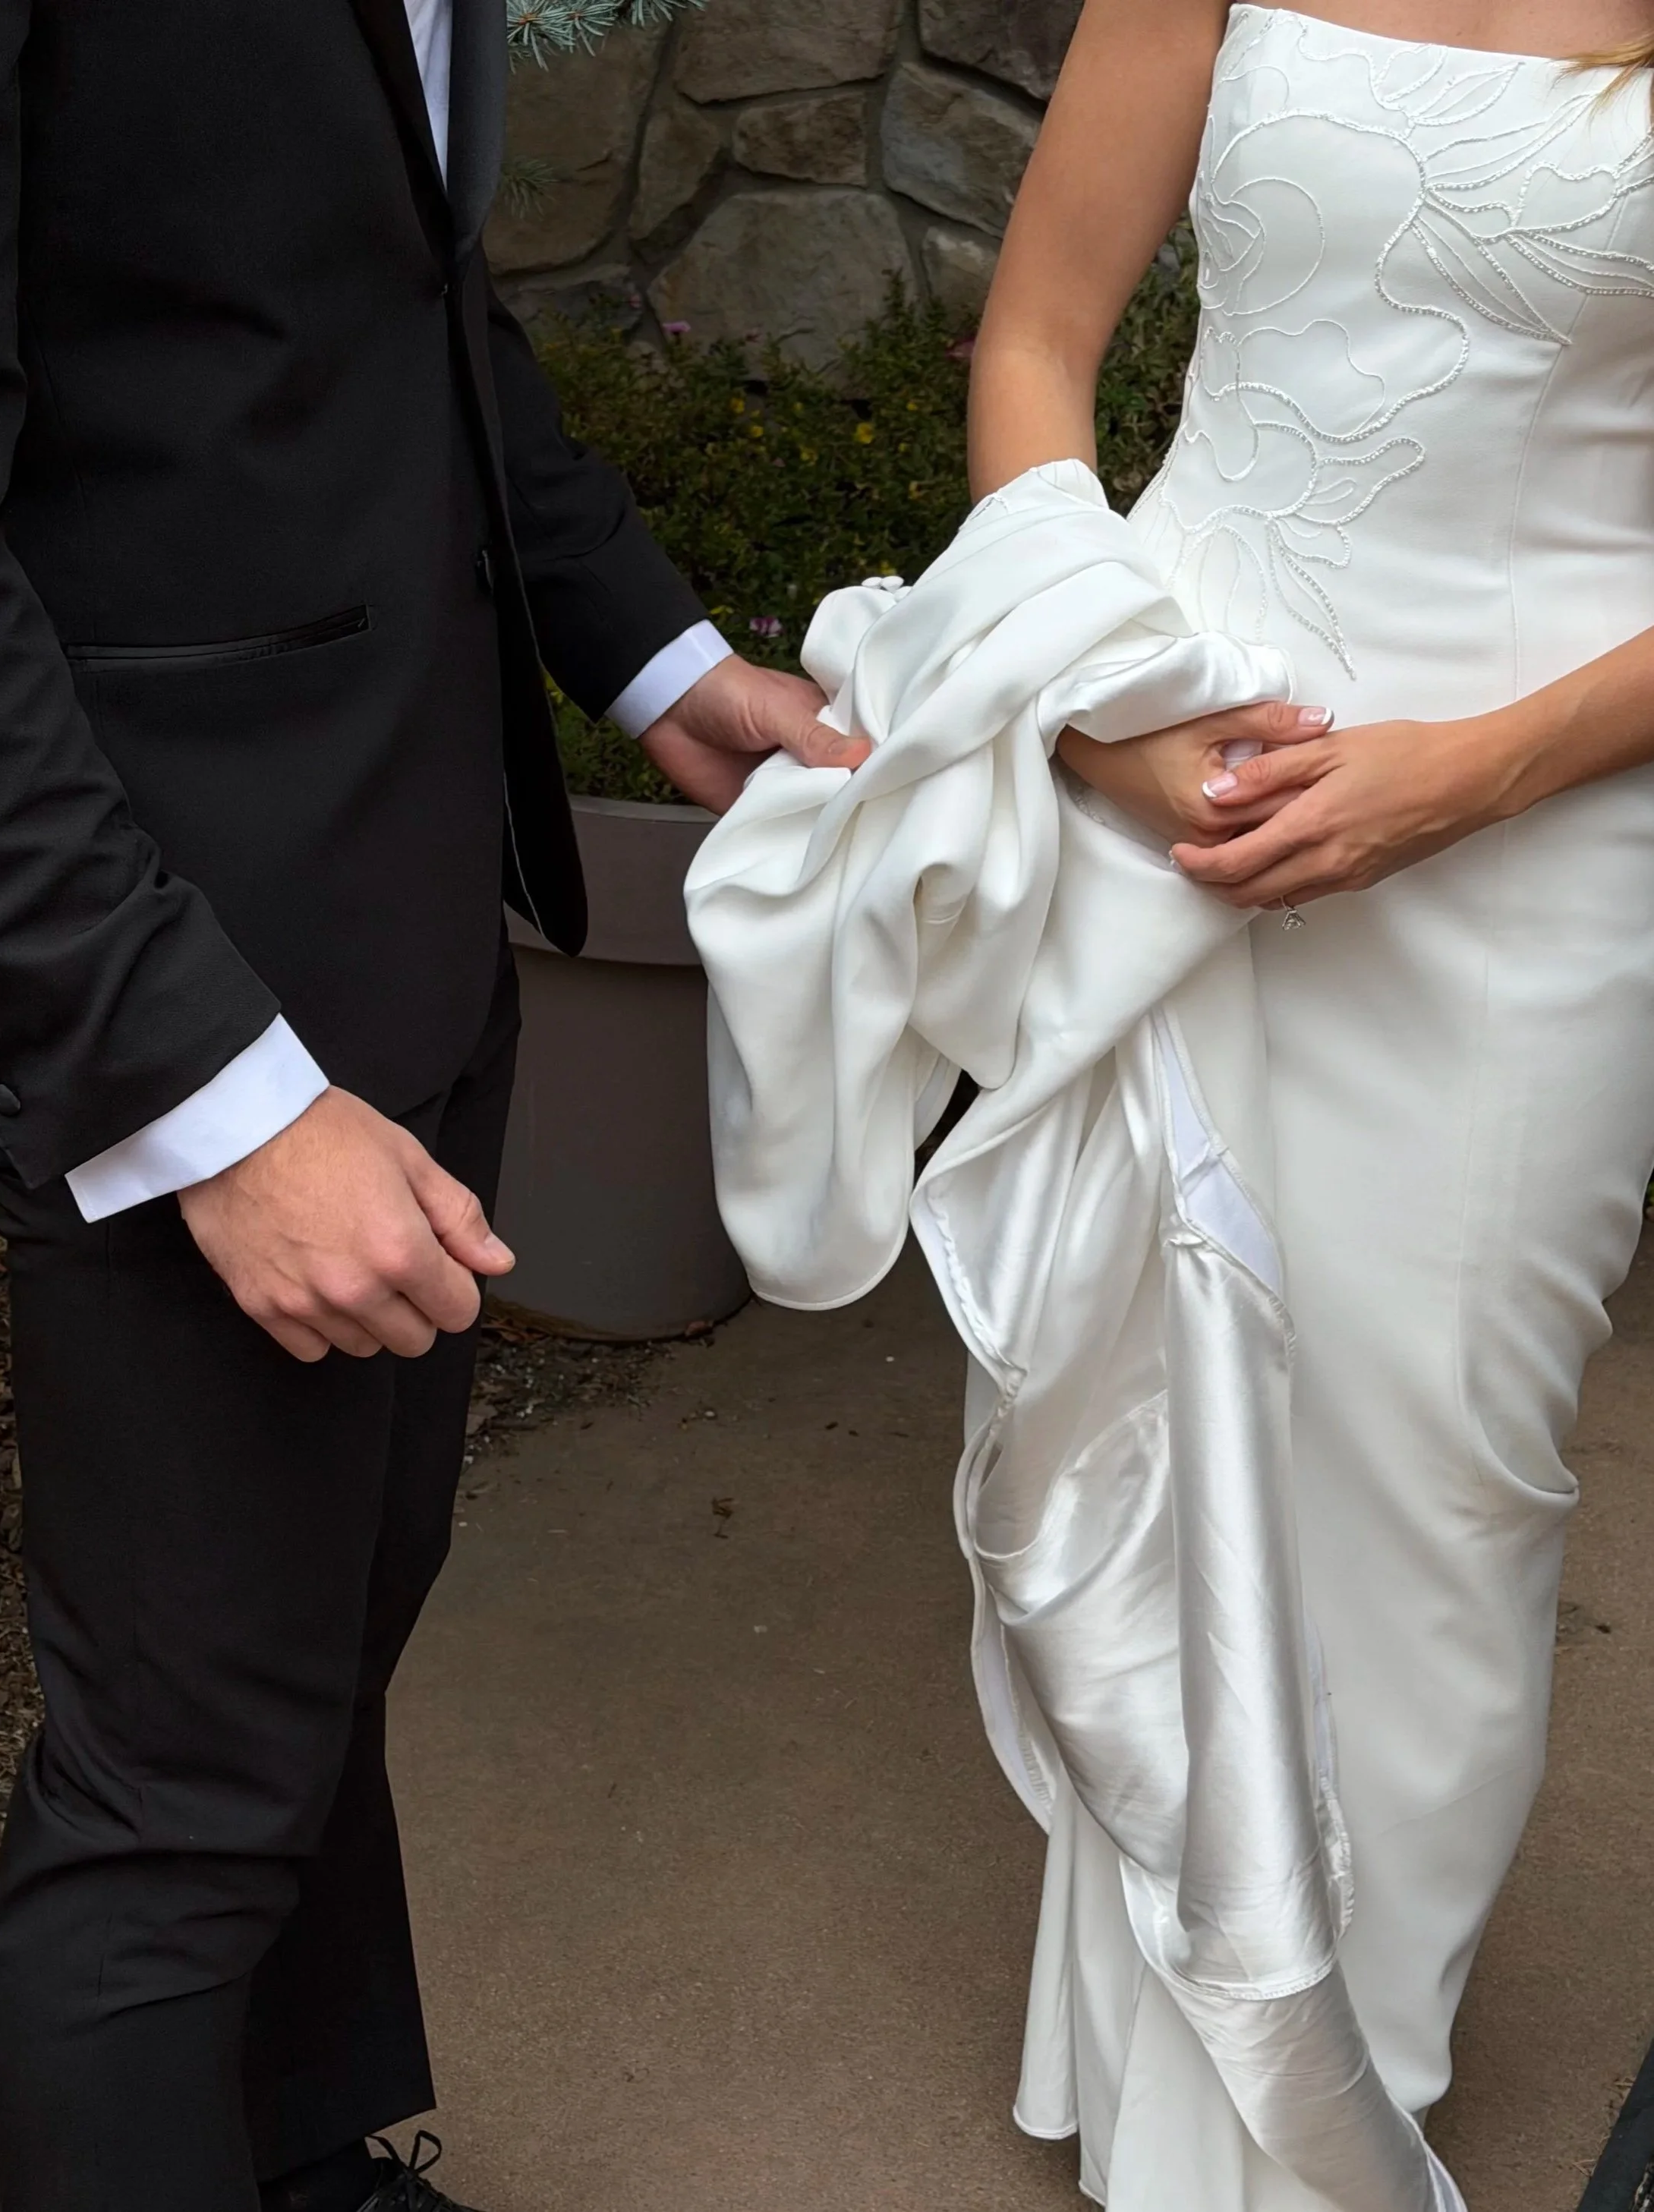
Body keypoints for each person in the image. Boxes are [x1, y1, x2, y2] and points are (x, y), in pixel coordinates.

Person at [688, 3, 1654, 2207]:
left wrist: (1463, 774)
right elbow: (1036, 340)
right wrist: (1108, 715)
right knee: (1156, 1414)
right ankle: (1165, 2103)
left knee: (1449, 1482)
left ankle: (1324, 2112)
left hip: (1541, 819)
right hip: (1186, 769)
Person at [0, 4, 865, 2210]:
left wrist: (654, 654)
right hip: (181, 984)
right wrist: (204, 1091)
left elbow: (400, 298)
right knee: (170, 1790)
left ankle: (299, 2159)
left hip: (408, 920)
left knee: (307, 1663)